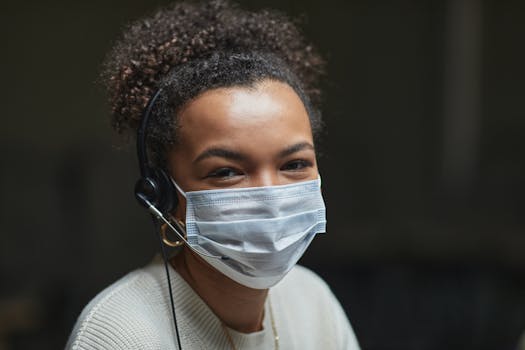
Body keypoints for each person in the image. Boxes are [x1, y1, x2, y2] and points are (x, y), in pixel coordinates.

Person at [66, 0, 360, 349]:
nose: (269, 197)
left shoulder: (313, 303)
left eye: (294, 164)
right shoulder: (118, 334)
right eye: (226, 172)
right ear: (162, 196)